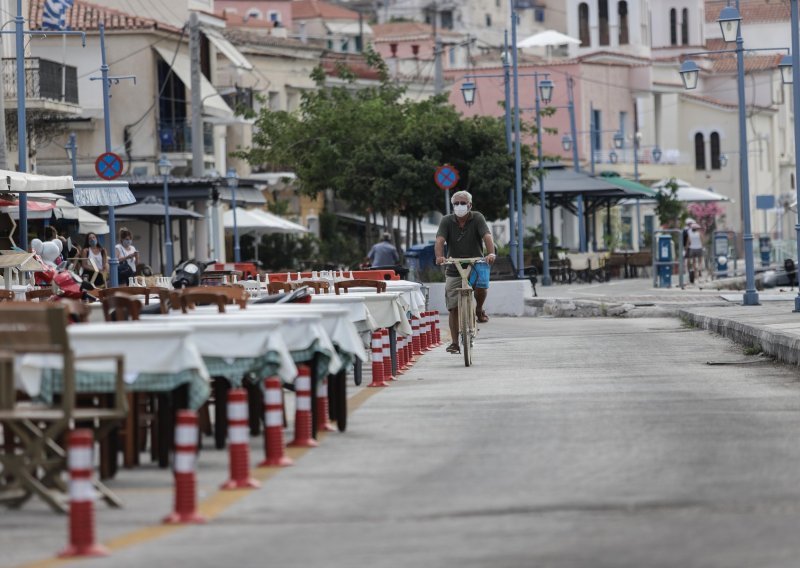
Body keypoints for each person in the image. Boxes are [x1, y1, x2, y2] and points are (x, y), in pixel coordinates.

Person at [434, 190, 496, 354]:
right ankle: (454, 342)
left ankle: (478, 309)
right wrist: (440, 257)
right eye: (456, 203)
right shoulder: (447, 221)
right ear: (453, 205)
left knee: (482, 287)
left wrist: (490, 253)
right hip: (453, 267)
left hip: (476, 264)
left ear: (470, 205)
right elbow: (440, 240)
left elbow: (487, 236)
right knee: (453, 307)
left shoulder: (477, 218)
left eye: (463, 203)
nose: (459, 206)